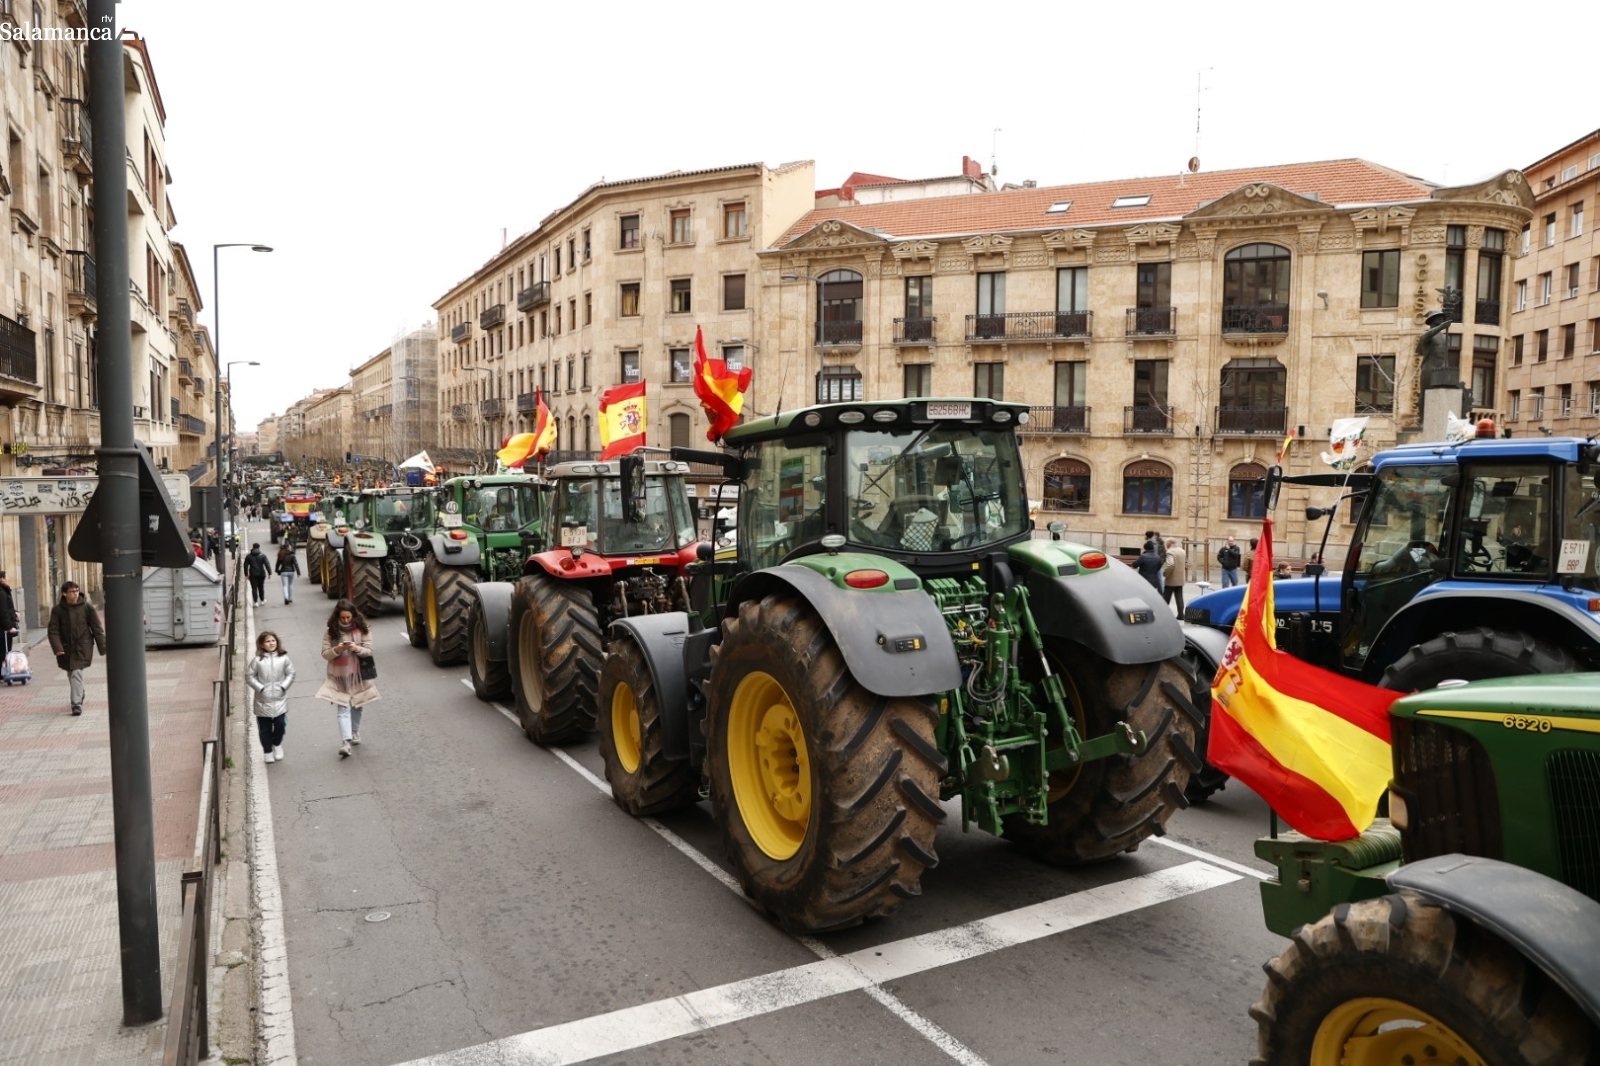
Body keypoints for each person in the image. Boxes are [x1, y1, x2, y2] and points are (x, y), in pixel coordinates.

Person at [316, 600, 378, 757]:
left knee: (358, 705)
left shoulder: (363, 629)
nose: (345, 621)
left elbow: (369, 651)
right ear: (337, 616)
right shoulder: (331, 631)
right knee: (343, 708)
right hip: (339, 677)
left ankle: (355, 731)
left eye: (348, 617)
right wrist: (337, 649)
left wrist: (355, 648)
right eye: (342, 618)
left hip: (359, 675)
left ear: (353, 616)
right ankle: (346, 742)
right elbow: (325, 654)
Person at [47, 581, 105, 716]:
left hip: (82, 647)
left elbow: (97, 628)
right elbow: (53, 631)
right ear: (64, 593)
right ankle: (80, 692)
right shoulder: (58, 610)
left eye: (77, 591)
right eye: (72, 591)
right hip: (66, 648)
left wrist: (103, 647)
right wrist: (57, 647)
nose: (75, 594)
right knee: (71, 673)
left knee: (75, 672)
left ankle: (76, 703)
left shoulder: (87, 607)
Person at [247, 631, 295, 762]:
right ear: (262, 645)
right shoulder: (257, 661)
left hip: (280, 698)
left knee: (280, 724)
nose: (271, 643)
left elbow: (291, 673)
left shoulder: (284, 658)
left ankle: (277, 744)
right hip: (263, 700)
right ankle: (267, 751)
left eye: (273, 640)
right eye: (267, 641)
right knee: (264, 729)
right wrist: (260, 687)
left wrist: (283, 686)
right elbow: (249, 676)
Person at [1163, 538, 1187, 614]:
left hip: (1171, 579)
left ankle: (1163, 612)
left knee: (1166, 597)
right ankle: (1180, 614)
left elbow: (1170, 564)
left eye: (1166, 543)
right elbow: (1186, 564)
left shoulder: (1170, 552)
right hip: (1180, 579)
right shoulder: (1182, 551)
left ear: (1169, 544)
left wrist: (1165, 574)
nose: (1165, 545)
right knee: (1179, 597)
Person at [1144, 530, 1167, 595]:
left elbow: (1154, 552)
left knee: (1158, 577)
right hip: (1157, 561)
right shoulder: (1154, 541)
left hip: (1154, 562)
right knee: (1158, 577)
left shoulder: (1152, 542)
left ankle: (1161, 591)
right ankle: (1161, 591)